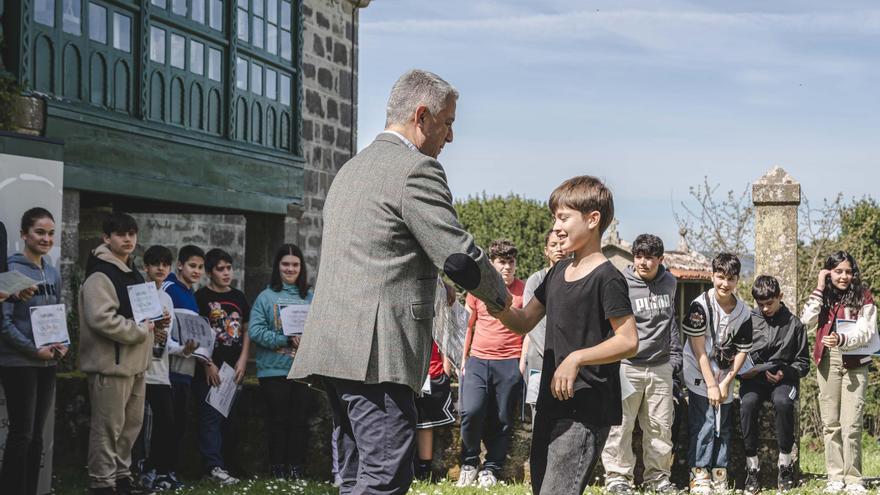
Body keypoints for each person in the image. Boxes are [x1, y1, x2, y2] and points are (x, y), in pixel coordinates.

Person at [288, 69, 509, 494]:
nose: (450, 137)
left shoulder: (351, 169)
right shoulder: (415, 170)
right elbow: (459, 259)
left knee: (356, 475)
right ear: (422, 116)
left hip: (336, 347)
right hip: (377, 353)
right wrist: (505, 305)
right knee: (386, 476)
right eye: (448, 123)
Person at [494, 175, 639, 494]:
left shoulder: (608, 278)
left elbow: (628, 340)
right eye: (555, 218)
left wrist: (577, 358)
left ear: (592, 219)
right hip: (550, 403)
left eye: (563, 217)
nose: (556, 226)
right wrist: (497, 304)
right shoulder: (557, 272)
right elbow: (523, 321)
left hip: (585, 409)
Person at [78, 212, 158, 495]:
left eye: (132, 234)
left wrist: (156, 322)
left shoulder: (132, 271)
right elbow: (101, 319)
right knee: (107, 430)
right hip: (109, 365)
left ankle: (122, 479)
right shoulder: (101, 273)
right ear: (106, 238)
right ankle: (102, 483)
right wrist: (140, 330)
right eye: (121, 234)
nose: (127, 239)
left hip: (135, 364)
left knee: (130, 428)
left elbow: (142, 313)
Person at [601, 233, 682, 494]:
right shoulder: (621, 282)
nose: (643, 262)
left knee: (660, 426)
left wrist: (673, 360)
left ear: (661, 259)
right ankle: (617, 477)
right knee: (620, 425)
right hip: (627, 364)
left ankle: (657, 478)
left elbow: (671, 321)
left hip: (660, 365)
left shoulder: (670, 282)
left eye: (649, 257)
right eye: (639, 256)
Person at [0, 208, 68, 495]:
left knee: (37, 436)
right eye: (40, 232)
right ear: (24, 234)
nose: (46, 238)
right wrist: (32, 350)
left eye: (51, 233)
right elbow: (3, 324)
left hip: (47, 363)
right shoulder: (10, 270)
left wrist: (63, 344)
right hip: (19, 363)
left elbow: (58, 313)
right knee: (21, 435)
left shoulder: (52, 270)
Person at [802, 251, 876, 494]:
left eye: (847, 271)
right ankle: (835, 476)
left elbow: (867, 331)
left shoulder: (864, 296)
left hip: (857, 360)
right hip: (828, 359)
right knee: (830, 422)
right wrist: (819, 286)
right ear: (829, 272)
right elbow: (806, 320)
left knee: (852, 423)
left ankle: (853, 478)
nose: (843, 276)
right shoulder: (823, 296)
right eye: (838, 271)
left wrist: (842, 339)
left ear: (853, 273)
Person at [681, 252, 752, 494]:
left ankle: (719, 474)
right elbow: (698, 349)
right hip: (699, 370)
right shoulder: (699, 306)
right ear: (712, 276)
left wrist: (726, 382)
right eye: (720, 277)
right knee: (705, 422)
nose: (725, 283)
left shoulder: (744, 312)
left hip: (725, 373)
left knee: (724, 423)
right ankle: (699, 475)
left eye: (730, 279)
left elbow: (742, 351)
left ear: (737, 280)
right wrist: (711, 384)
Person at [457, 239, 525, 487]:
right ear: (493, 265)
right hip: (477, 359)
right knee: (470, 411)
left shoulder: (523, 290)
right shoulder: (478, 290)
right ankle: (469, 462)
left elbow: (528, 329)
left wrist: (522, 362)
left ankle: (492, 468)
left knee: (502, 417)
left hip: (509, 361)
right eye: (501, 262)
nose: (506, 267)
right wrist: (462, 359)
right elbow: (468, 324)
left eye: (510, 262)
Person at [739, 275, 809, 494]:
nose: (765, 308)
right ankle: (752, 467)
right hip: (755, 380)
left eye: (770, 303)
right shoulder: (748, 320)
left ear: (780, 296)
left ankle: (785, 464)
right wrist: (745, 373)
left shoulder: (795, 324)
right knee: (747, 405)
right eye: (760, 304)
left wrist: (784, 372)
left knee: (783, 403)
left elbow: (804, 363)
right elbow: (738, 356)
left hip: (784, 379)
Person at [249, 243, 313, 480]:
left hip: (302, 370)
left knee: (300, 421)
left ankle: (297, 468)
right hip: (274, 371)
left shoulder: (310, 297)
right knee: (278, 420)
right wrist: (284, 339)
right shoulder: (266, 297)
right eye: (285, 264)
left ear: (301, 267)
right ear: (278, 267)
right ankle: (277, 468)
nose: (290, 268)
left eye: (295, 264)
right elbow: (255, 331)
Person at [137, 245, 195, 492]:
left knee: (167, 422)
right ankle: (141, 471)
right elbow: (136, 329)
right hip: (141, 370)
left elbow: (165, 340)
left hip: (161, 372)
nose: (160, 268)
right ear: (146, 267)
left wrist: (183, 349)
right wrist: (152, 328)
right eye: (155, 263)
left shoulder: (167, 298)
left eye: (164, 264)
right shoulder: (138, 293)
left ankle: (159, 471)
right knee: (140, 426)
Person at [194, 248, 250, 483]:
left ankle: (228, 465)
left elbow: (247, 330)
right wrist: (207, 363)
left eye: (229, 268)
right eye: (220, 269)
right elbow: (195, 332)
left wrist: (243, 359)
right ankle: (212, 467)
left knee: (230, 420)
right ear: (209, 272)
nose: (226, 273)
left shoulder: (238, 297)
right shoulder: (201, 298)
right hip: (211, 369)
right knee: (210, 418)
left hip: (233, 368)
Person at [162, 244, 209, 487]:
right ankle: (161, 471)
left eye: (200, 267)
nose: (197, 271)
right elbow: (166, 333)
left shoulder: (191, 294)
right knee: (167, 425)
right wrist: (182, 349)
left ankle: (171, 471)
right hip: (168, 369)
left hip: (186, 371)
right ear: (180, 265)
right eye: (192, 265)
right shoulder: (169, 289)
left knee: (180, 424)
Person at [521, 230, 566, 423]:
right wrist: (554, 354)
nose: (559, 249)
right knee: (539, 414)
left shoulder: (575, 278)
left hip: (567, 358)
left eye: (562, 244)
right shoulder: (536, 280)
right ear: (546, 251)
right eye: (554, 245)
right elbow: (532, 323)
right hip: (541, 357)